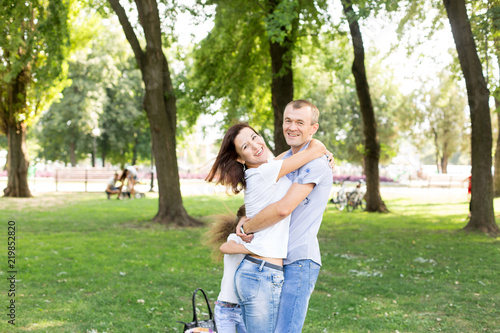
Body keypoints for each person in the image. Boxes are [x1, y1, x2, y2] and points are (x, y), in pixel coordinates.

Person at [205, 122, 330, 333]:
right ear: (239, 158)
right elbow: (313, 150)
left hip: (259, 272)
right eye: (245, 147)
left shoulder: (265, 169)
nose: (255, 146)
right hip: (262, 273)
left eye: (255, 137)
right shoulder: (266, 172)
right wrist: (321, 148)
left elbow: (288, 155)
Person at [236, 99, 334, 332]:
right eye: (288, 120)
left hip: (299, 260)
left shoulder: (318, 164)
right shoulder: (283, 160)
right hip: (272, 260)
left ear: (313, 128)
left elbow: (282, 208)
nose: (292, 127)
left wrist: (247, 228)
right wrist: (243, 216)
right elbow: (260, 197)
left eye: (301, 122)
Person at [205, 205, 248, 333]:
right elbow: (225, 248)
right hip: (226, 309)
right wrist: (254, 251)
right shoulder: (235, 238)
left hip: (248, 309)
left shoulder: (260, 241)